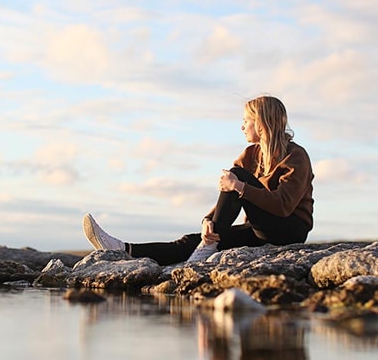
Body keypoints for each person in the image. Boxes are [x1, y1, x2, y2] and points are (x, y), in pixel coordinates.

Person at [82, 95, 314, 266]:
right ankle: (123, 250)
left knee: (236, 176)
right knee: (192, 240)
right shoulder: (251, 155)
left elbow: (283, 205)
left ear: (261, 123)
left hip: (288, 230)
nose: (242, 126)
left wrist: (239, 185)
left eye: (247, 120)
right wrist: (208, 220)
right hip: (258, 229)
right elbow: (230, 194)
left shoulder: (296, 156)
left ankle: (208, 246)